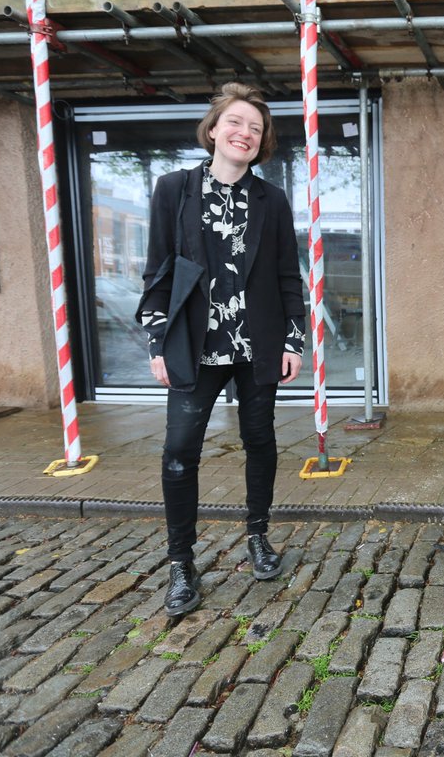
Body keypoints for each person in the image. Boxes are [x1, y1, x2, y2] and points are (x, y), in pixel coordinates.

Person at [138, 82, 306, 616]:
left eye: (255, 128)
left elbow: (286, 275)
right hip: (193, 343)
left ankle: (258, 535)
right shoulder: (175, 189)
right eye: (236, 123)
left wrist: (293, 340)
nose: (245, 134)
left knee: (260, 440)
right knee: (179, 450)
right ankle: (180, 562)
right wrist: (158, 339)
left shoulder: (271, 199)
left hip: (256, 343)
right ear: (214, 130)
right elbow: (157, 271)